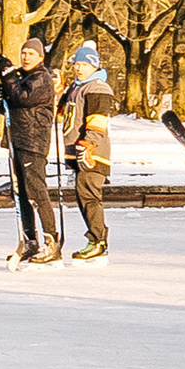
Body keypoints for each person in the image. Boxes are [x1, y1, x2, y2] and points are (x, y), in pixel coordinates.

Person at [0, 39, 61, 263]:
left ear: (41, 57)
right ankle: (30, 241)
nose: (26, 57)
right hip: (17, 140)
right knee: (20, 193)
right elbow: (9, 104)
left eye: (31, 53)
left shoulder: (42, 78)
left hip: (33, 143)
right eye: (24, 52)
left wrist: (8, 74)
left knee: (36, 191)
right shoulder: (22, 77)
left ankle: (52, 243)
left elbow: (24, 98)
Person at [59, 40, 115, 262]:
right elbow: (62, 111)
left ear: (94, 66)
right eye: (76, 63)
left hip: (92, 152)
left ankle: (98, 241)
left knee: (89, 196)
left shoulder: (97, 88)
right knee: (83, 196)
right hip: (77, 151)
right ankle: (96, 239)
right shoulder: (76, 87)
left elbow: (97, 121)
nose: (78, 67)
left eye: (84, 64)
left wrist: (89, 145)